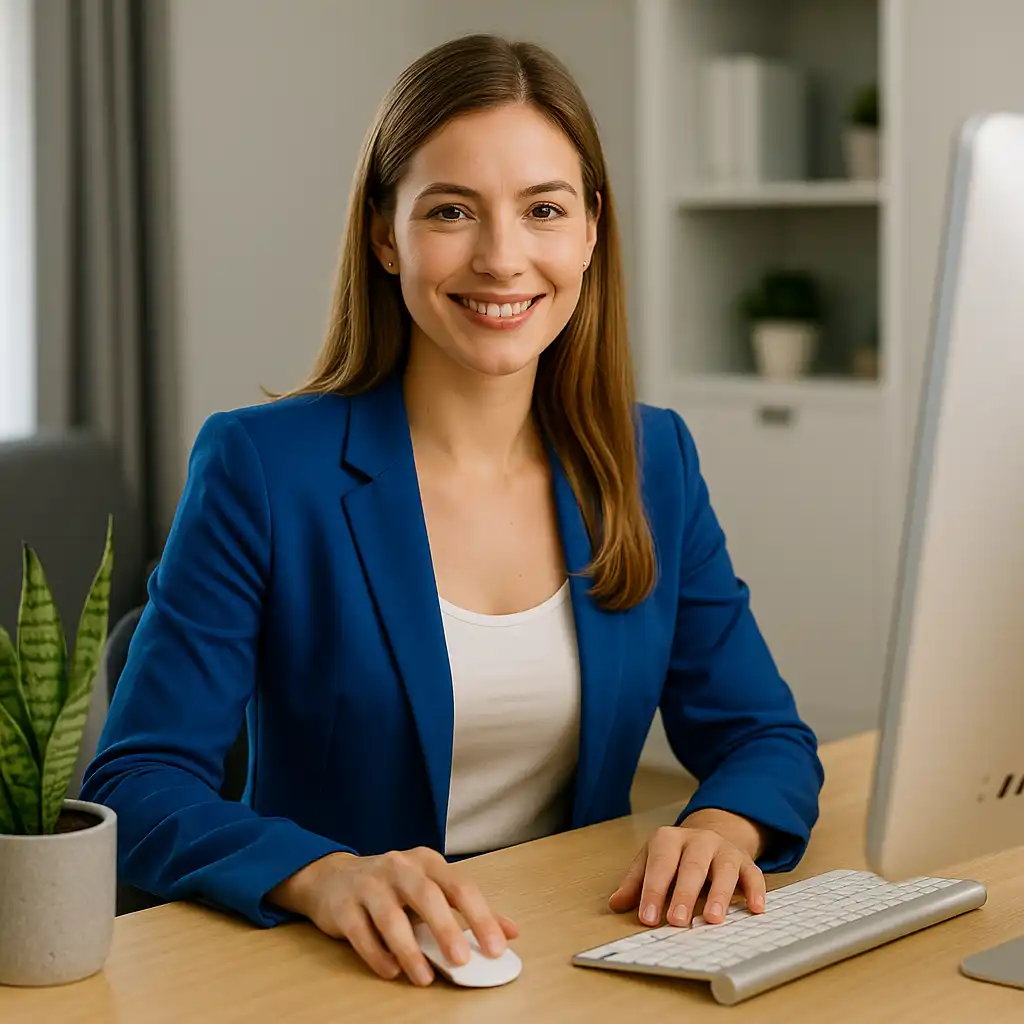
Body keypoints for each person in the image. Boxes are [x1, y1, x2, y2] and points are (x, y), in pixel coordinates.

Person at [81, 33, 824, 988]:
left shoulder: (651, 461)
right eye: (451, 212)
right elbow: (137, 784)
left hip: (573, 955)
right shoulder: (261, 467)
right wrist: (323, 875)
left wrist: (723, 825)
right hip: (344, 975)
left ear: (591, 231)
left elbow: (765, 734)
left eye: (543, 210)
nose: (502, 258)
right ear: (386, 235)